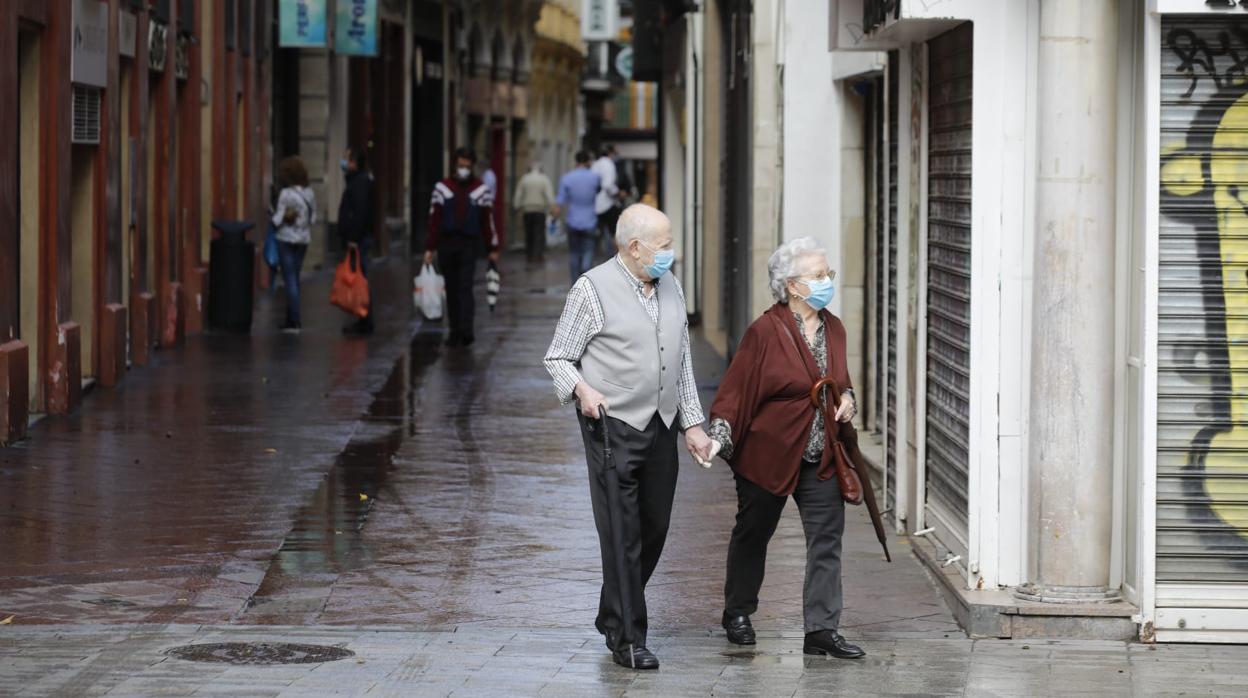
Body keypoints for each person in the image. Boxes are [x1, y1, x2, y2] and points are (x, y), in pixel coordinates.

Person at [543, 204, 713, 671]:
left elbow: (680, 361)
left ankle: (611, 613)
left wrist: (692, 425)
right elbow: (558, 357)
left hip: (660, 423)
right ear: (634, 248)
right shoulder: (591, 289)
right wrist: (582, 390)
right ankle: (630, 640)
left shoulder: (672, 286)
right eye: (664, 244)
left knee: (654, 528)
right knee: (622, 534)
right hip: (611, 424)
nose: (671, 252)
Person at [704, 237, 864, 660]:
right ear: (792, 285)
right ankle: (738, 612)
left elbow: (841, 381)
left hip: (822, 453)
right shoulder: (764, 331)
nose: (827, 281)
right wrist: (718, 435)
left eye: (828, 274)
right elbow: (736, 390)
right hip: (767, 453)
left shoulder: (834, 327)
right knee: (754, 534)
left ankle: (822, 630)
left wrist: (848, 400)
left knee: (827, 539)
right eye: (818, 275)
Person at [423, 147, 501, 347]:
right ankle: (454, 330)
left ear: (472, 166)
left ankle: (466, 331)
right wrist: (430, 248)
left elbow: (487, 220)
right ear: (454, 165)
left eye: (467, 166)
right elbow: (434, 219)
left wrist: (492, 246)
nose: (463, 169)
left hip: (468, 244)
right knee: (451, 288)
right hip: (446, 243)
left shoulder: (480, 190)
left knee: (465, 287)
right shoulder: (442, 188)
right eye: (460, 165)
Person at [271, 156, 316, 332]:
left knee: (289, 279)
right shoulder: (310, 193)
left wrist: (273, 215)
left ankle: (295, 321)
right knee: (294, 278)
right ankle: (290, 319)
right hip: (303, 240)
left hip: (286, 240)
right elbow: (313, 218)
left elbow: (277, 220)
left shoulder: (285, 194)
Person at [337, 146, 376, 336]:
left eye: (347, 159)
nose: (344, 162)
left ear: (354, 162)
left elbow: (360, 212)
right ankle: (363, 317)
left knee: (361, 278)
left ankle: (365, 318)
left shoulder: (359, 182)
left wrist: (353, 237)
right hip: (358, 237)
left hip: (358, 239)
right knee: (360, 277)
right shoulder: (357, 181)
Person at [554, 150, 602, 283]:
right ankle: (586, 276)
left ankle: (575, 284)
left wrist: (554, 217)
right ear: (588, 162)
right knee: (588, 251)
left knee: (574, 254)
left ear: (576, 162)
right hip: (590, 221)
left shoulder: (567, 178)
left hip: (572, 221)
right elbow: (598, 190)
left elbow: (560, 201)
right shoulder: (595, 177)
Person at [513, 162, 554, 264]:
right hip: (540, 209)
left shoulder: (524, 178)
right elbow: (549, 194)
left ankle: (529, 255)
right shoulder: (544, 179)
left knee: (529, 233)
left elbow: (519, 194)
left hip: (527, 209)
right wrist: (552, 206)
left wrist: (517, 205)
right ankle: (538, 255)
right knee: (539, 233)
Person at [592, 145, 621, 254]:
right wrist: (617, 193)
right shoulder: (609, 164)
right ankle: (618, 258)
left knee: (597, 233)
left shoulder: (595, 164)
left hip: (595, 204)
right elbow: (608, 185)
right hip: (607, 204)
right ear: (611, 153)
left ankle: (596, 254)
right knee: (614, 232)